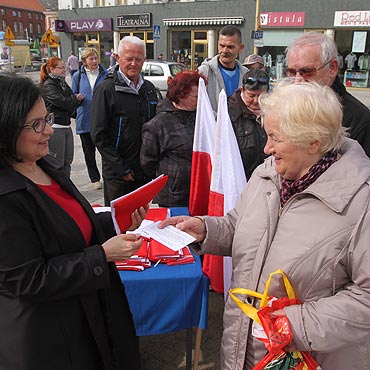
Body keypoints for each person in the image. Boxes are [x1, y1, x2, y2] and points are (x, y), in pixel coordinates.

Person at [160, 81, 370, 370]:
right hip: (241, 351)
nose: (267, 148)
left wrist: (293, 326)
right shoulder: (268, 173)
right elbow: (240, 224)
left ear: (314, 142)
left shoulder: (362, 199)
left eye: (276, 137)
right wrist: (206, 229)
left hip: (307, 359)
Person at [0, 75, 148, 370]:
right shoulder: (5, 197)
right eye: (36, 124)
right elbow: (28, 279)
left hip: (83, 317)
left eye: (48, 118)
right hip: (48, 339)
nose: (49, 131)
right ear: (6, 130)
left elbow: (69, 229)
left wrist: (118, 221)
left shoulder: (43, 166)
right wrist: (103, 254)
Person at [91, 36, 158, 206]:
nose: (134, 63)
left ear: (144, 60)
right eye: (129, 59)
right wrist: (121, 168)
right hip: (118, 175)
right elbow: (98, 134)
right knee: (118, 225)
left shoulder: (149, 89)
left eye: (138, 59)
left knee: (141, 222)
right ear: (118, 58)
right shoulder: (107, 89)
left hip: (143, 171)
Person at [285, 31, 370, 157]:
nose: (297, 80)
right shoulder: (284, 107)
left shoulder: (360, 120)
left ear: (332, 68)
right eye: (292, 72)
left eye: (307, 71)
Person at [141, 71, 207, 207]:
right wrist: (173, 179)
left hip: (200, 190)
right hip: (174, 195)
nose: (201, 99)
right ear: (181, 95)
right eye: (197, 96)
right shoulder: (158, 124)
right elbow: (147, 162)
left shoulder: (201, 116)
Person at [40, 57, 84, 178]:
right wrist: (75, 99)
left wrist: (73, 101)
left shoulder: (63, 83)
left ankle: (66, 185)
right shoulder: (49, 84)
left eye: (64, 67)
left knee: (67, 160)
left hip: (66, 125)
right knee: (56, 161)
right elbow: (61, 101)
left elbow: (70, 102)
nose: (64, 70)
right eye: (61, 68)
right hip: (55, 126)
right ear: (52, 69)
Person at [72, 47, 108, 190]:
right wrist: (76, 97)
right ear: (84, 61)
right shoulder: (77, 76)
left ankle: (108, 175)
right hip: (85, 119)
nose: (94, 61)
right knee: (89, 152)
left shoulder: (105, 74)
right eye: (91, 59)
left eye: (96, 58)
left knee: (106, 150)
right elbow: (72, 95)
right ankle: (94, 179)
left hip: (103, 119)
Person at [227, 69, 269, 179]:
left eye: (261, 96)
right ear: (242, 90)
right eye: (251, 96)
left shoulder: (274, 111)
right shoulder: (229, 113)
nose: (256, 100)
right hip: (241, 180)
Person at [198, 25, 246, 112]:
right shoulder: (203, 72)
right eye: (222, 46)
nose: (224, 50)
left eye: (230, 47)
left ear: (240, 48)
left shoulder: (246, 74)